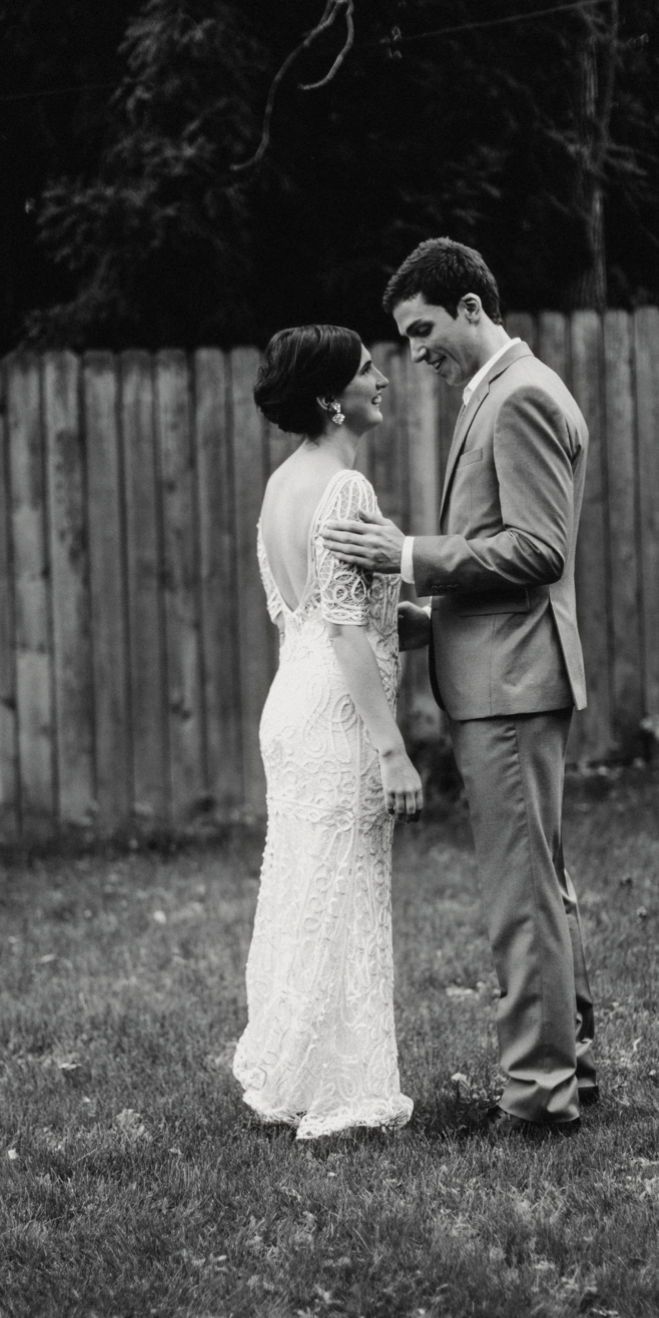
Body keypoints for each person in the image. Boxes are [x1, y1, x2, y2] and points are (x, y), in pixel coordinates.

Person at [321, 239, 597, 1137]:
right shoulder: (502, 393)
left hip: (512, 692)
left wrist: (406, 556)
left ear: (471, 307)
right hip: (504, 668)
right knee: (539, 891)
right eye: (405, 339)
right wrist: (433, 621)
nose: (415, 353)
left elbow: (538, 550)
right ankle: (568, 1075)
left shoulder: (517, 398)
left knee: (521, 900)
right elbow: (521, 568)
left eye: (424, 330)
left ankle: (540, 1100)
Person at [232, 324, 425, 1140]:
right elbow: (345, 629)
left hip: (293, 706)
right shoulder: (346, 490)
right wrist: (394, 750)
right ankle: (348, 1089)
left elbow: (326, 621)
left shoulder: (282, 487)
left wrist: (428, 619)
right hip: (340, 718)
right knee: (341, 892)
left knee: (307, 889)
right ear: (328, 398)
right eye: (366, 371)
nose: (382, 378)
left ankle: (297, 1073)